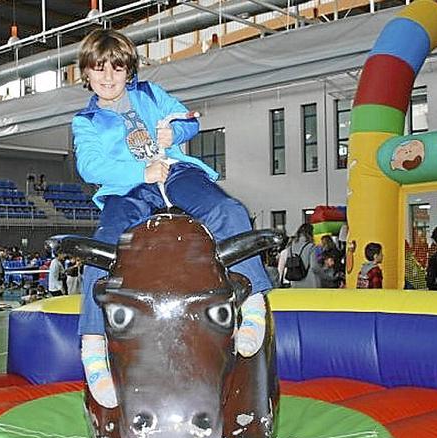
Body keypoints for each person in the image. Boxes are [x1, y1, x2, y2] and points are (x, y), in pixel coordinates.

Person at [72, 29, 272, 409]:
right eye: (100, 69)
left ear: (129, 70)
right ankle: (93, 344)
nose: (109, 76)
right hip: (128, 189)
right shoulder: (86, 121)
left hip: (176, 171)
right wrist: (139, 174)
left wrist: (174, 130)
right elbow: (90, 165)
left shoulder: (150, 94)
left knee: (229, 211)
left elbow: (189, 121)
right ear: (86, 72)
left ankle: (254, 302)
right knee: (102, 248)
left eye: (117, 68)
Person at [282, 223, 318, 288]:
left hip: (295, 282)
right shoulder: (311, 246)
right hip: (310, 283)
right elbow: (314, 267)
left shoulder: (290, 247)